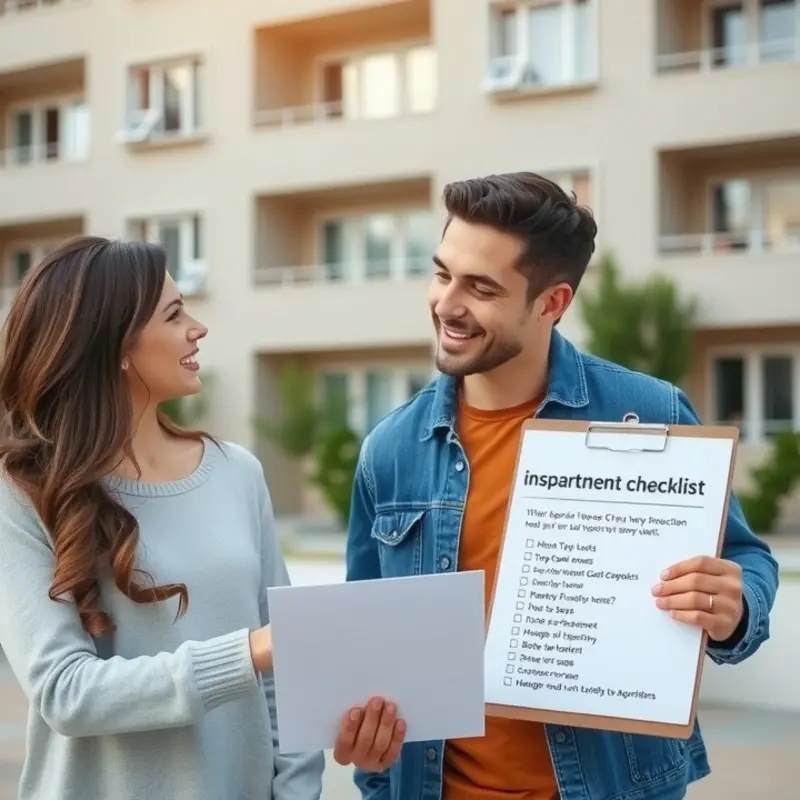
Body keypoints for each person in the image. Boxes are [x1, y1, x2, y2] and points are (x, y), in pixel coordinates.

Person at [345, 173, 779, 800]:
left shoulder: (649, 413)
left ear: (552, 302)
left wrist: (735, 609)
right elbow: (364, 644)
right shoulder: (389, 449)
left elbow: (745, 558)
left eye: (481, 288)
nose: (446, 304)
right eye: (442, 275)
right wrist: (374, 774)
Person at [0, 236, 402, 800]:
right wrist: (249, 652)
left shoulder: (237, 473)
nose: (198, 328)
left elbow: (289, 675)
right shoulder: (22, 492)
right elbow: (66, 693)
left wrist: (295, 792)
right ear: (116, 345)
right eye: (174, 315)